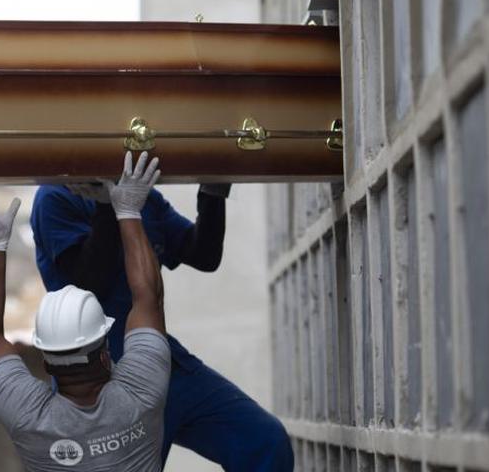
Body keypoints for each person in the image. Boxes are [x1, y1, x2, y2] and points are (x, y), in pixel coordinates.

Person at [31, 159, 293, 470]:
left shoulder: (143, 197)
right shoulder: (56, 197)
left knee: (263, 442)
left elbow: (203, 254)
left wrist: (213, 188)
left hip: (165, 366)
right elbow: (87, 287)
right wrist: (108, 208)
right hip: (99, 379)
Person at [0, 151, 170, 471]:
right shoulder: (140, 394)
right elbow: (149, 298)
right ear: (104, 355)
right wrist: (128, 210)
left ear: (46, 363)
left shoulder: (29, 417)